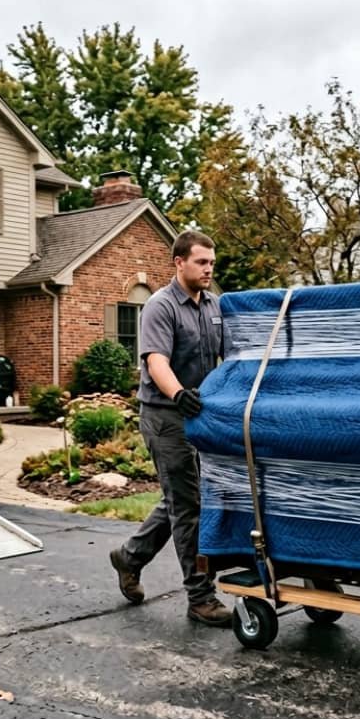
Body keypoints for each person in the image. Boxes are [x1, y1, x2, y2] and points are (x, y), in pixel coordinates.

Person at [108, 229, 232, 627]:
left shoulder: (213, 305)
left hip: (199, 413)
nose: (208, 268)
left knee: (180, 498)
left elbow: (227, 356)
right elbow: (155, 361)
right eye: (201, 262)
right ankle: (200, 596)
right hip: (165, 415)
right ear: (179, 263)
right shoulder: (161, 307)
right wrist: (178, 394)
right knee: (187, 505)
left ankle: (129, 557)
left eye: (211, 262)